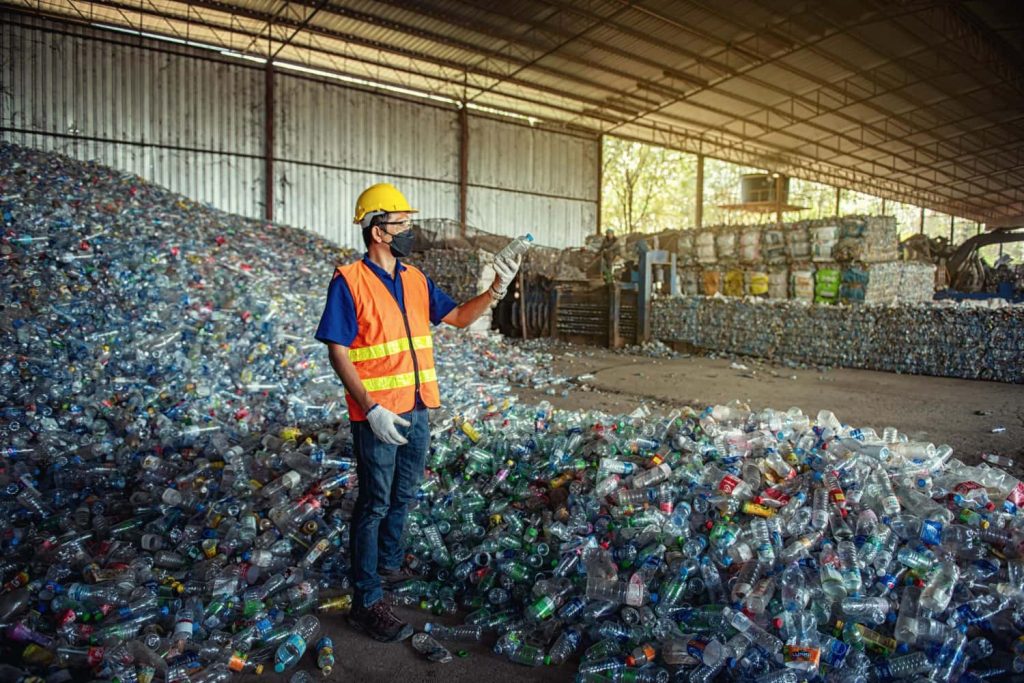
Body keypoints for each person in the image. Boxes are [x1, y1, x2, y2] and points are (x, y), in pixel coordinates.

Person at [314, 183, 521, 642]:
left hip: (418, 407)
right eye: (401, 223)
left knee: (403, 497)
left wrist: (496, 289)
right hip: (378, 415)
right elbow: (338, 351)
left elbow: (460, 318)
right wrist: (370, 409)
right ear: (377, 230)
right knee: (373, 504)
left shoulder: (414, 278)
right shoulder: (349, 280)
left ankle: (387, 572)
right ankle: (365, 601)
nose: (410, 230)